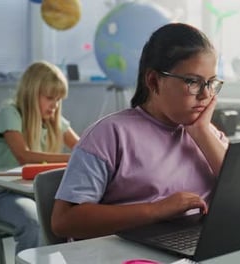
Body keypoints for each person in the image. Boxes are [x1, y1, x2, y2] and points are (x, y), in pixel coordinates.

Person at [51, 23, 228, 239]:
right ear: (153, 81)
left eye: (211, 83)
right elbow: (64, 221)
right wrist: (156, 210)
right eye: (193, 82)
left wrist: (202, 133)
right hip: (126, 254)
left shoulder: (209, 135)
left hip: (197, 247)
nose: (205, 95)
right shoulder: (109, 134)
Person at [0, 61, 80, 253]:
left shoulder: (53, 119)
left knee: (75, 219)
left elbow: (83, 148)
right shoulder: (10, 113)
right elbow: (24, 156)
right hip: (9, 196)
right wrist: (72, 158)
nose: (55, 106)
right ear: (31, 93)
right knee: (34, 222)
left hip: (43, 194)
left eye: (58, 100)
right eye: (50, 98)